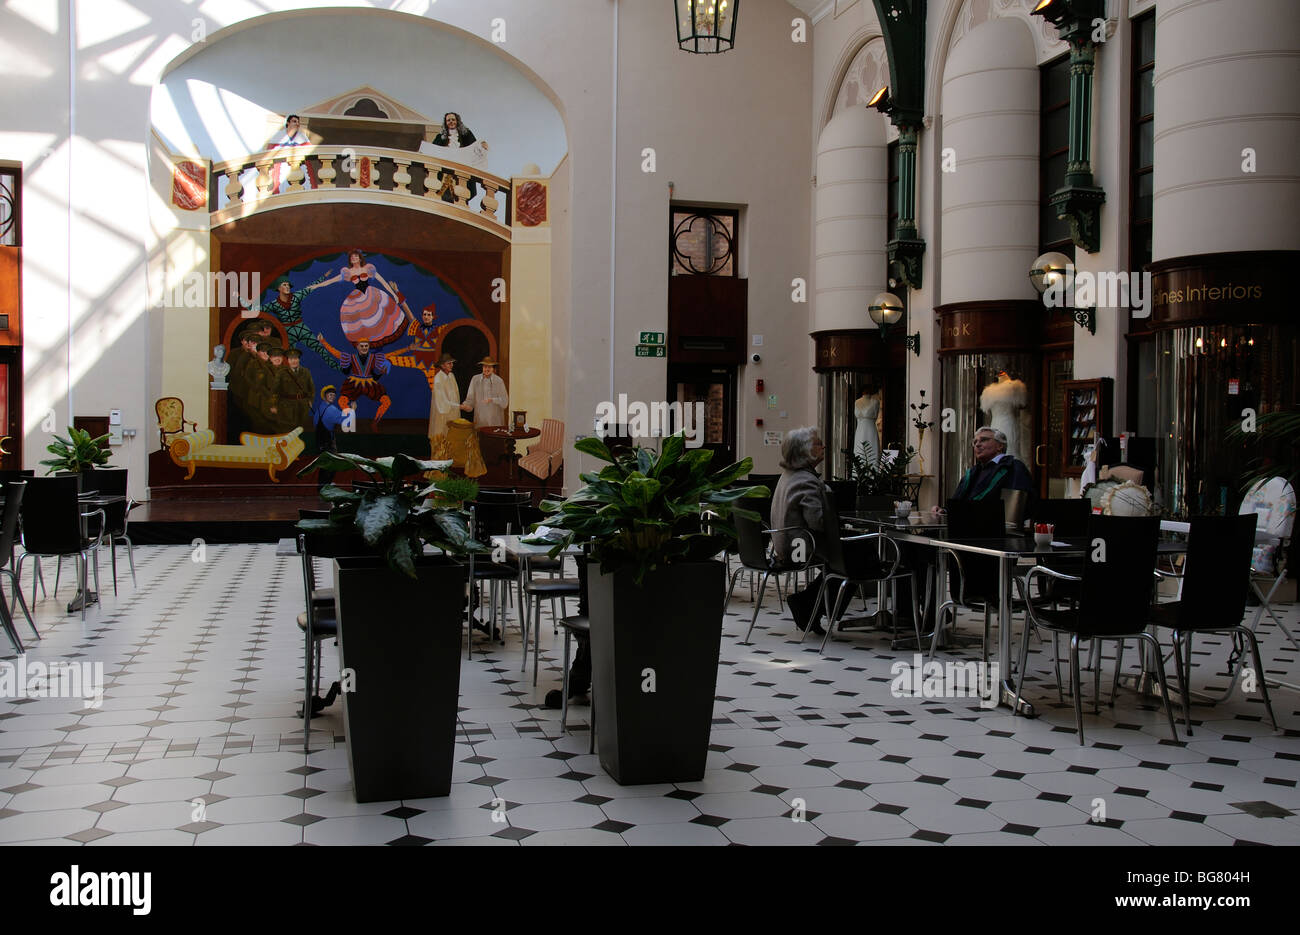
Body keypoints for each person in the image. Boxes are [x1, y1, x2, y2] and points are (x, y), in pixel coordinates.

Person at [771, 427, 838, 636]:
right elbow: (818, 523)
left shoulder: (789, 475)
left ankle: (810, 605)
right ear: (806, 452)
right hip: (800, 548)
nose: (823, 446)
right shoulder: (806, 480)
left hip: (785, 546)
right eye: (818, 444)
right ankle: (808, 605)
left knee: (851, 559)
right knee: (853, 560)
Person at [308, 249, 407, 350]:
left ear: (360, 258)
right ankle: (370, 345)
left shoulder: (368, 268)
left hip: (372, 294)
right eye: (351, 257)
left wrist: (393, 294)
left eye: (355, 256)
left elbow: (383, 282)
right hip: (357, 298)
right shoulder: (348, 272)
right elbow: (330, 281)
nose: (353, 258)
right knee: (364, 323)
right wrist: (315, 286)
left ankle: (381, 344)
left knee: (380, 318)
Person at [317, 334, 393, 430]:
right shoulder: (351, 357)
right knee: (342, 400)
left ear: (369, 347)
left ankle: (375, 423)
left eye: (366, 346)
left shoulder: (374, 358)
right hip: (354, 384)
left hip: (370, 384)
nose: (364, 348)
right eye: (362, 346)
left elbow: (391, 354)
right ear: (357, 347)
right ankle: (348, 421)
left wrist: (408, 348)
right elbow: (336, 353)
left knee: (386, 401)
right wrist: (323, 342)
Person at [430, 112, 488, 203]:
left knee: (462, 194)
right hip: (446, 171)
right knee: (445, 196)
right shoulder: (441, 137)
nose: (451, 122)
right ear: (445, 123)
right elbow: (432, 149)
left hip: (462, 169)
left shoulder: (466, 134)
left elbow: (474, 146)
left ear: (457, 121)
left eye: (453, 119)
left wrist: (482, 145)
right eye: (448, 120)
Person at [267, 114, 316, 193]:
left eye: (298, 122)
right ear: (288, 123)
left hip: (299, 167)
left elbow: (309, 150)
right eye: (294, 121)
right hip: (283, 166)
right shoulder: (279, 135)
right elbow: (269, 152)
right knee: (282, 188)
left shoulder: (302, 136)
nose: (297, 124)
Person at [275, 348, 315, 434]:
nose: (294, 361)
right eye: (291, 359)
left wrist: (310, 400)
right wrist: (274, 405)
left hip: (302, 405)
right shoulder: (281, 373)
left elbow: (311, 388)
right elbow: (275, 390)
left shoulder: (306, 372)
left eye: (296, 358)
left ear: (299, 359)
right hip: (287, 406)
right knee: (288, 430)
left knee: (302, 429)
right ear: (288, 360)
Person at [460, 357, 508, 428]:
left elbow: (505, 402)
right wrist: (465, 406)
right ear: (482, 367)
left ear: (493, 368)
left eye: (490, 367)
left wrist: (493, 400)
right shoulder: (475, 379)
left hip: (495, 422)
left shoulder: (499, 381)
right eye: (485, 366)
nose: (487, 369)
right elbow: (470, 399)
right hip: (480, 421)